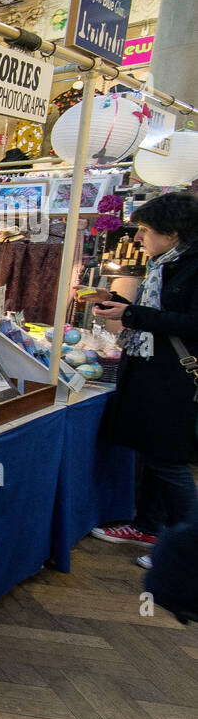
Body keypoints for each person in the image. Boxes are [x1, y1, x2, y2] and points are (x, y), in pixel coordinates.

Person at [90, 192, 198, 568]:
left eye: (146, 230)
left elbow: (190, 324)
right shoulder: (166, 264)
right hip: (151, 371)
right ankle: (148, 525)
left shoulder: (193, 266)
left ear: (173, 232)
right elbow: (162, 311)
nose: (138, 238)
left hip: (175, 378)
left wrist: (131, 313)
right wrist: (117, 300)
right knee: (153, 454)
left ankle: (188, 553)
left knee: (169, 461)